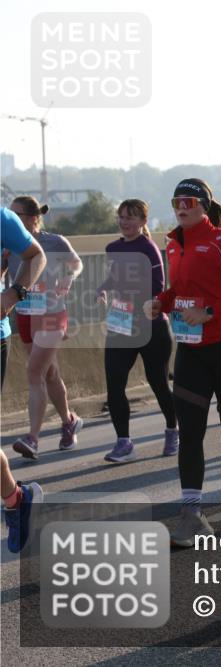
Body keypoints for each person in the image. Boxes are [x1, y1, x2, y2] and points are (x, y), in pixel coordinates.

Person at [145, 178, 221, 547]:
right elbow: (181, 290)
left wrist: (211, 311)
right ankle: (191, 515)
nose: (181, 206)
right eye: (176, 201)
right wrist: (163, 301)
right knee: (190, 431)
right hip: (191, 349)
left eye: (188, 200)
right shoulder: (174, 244)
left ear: (204, 206)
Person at [99, 199, 178, 463]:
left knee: (158, 383)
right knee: (114, 384)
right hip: (121, 324)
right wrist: (103, 288)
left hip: (151, 325)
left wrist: (131, 298)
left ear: (143, 221)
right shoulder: (113, 248)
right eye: (121, 217)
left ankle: (172, 429)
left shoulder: (149, 249)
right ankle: (124, 442)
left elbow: (158, 286)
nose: (124, 222)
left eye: (131, 217)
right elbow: (115, 277)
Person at [8, 196, 84, 460]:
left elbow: (77, 264)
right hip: (26, 314)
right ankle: (69, 421)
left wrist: (68, 277)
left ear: (32, 217)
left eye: (16, 214)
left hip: (52, 313)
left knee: (33, 372)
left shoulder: (55, 241)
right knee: (49, 373)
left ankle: (33, 439)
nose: (12, 218)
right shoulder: (11, 243)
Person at [1, 206, 46, 553]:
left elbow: (35, 255)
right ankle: (17, 499)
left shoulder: (3, 217)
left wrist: (14, 293)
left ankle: (16, 500)